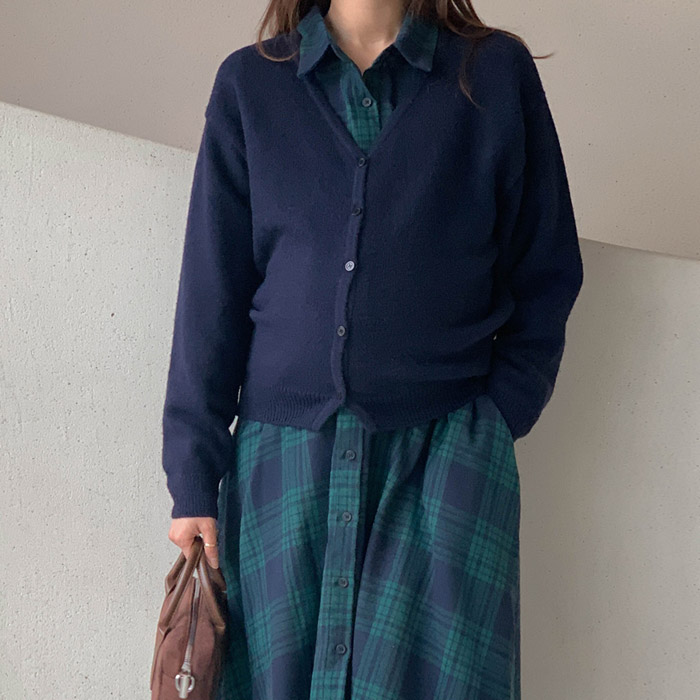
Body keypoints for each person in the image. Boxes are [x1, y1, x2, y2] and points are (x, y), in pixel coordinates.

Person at [161, 0, 584, 698]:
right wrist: (193, 475)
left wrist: (494, 422)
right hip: (281, 467)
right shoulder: (251, 86)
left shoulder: (492, 75)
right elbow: (211, 293)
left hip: (443, 459)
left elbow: (547, 269)